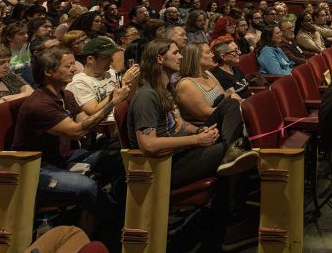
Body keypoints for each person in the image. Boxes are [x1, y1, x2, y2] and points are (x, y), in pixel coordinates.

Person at [126, 39, 258, 251]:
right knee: (234, 154)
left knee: (231, 105)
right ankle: (232, 224)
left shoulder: (164, 88)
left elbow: (180, 125)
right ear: (160, 58)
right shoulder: (147, 96)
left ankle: (227, 222)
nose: (180, 56)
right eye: (176, 53)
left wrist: (198, 131)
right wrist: (196, 140)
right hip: (165, 166)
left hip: (181, 152)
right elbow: (148, 144)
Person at [11, 45, 130, 235]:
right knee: (87, 187)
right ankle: (118, 224)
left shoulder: (65, 94)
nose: (75, 69)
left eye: (73, 64)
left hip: (63, 157)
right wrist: (114, 102)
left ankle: (107, 216)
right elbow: (76, 131)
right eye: (68, 66)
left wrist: (113, 97)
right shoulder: (39, 104)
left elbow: (84, 121)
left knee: (122, 160)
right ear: (48, 71)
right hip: (35, 168)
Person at [174, 44, 246, 146]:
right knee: (233, 104)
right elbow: (205, 114)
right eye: (208, 52)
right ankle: (232, 147)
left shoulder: (208, 73)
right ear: (195, 58)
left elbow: (225, 95)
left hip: (224, 117)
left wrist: (240, 101)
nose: (213, 55)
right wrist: (236, 108)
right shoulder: (186, 84)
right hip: (208, 128)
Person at [67, 36, 140, 116]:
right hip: (105, 125)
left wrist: (134, 79)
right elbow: (93, 111)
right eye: (106, 58)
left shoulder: (111, 71)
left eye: (111, 56)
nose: (111, 60)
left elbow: (127, 98)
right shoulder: (78, 83)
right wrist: (123, 81)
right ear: (90, 59)